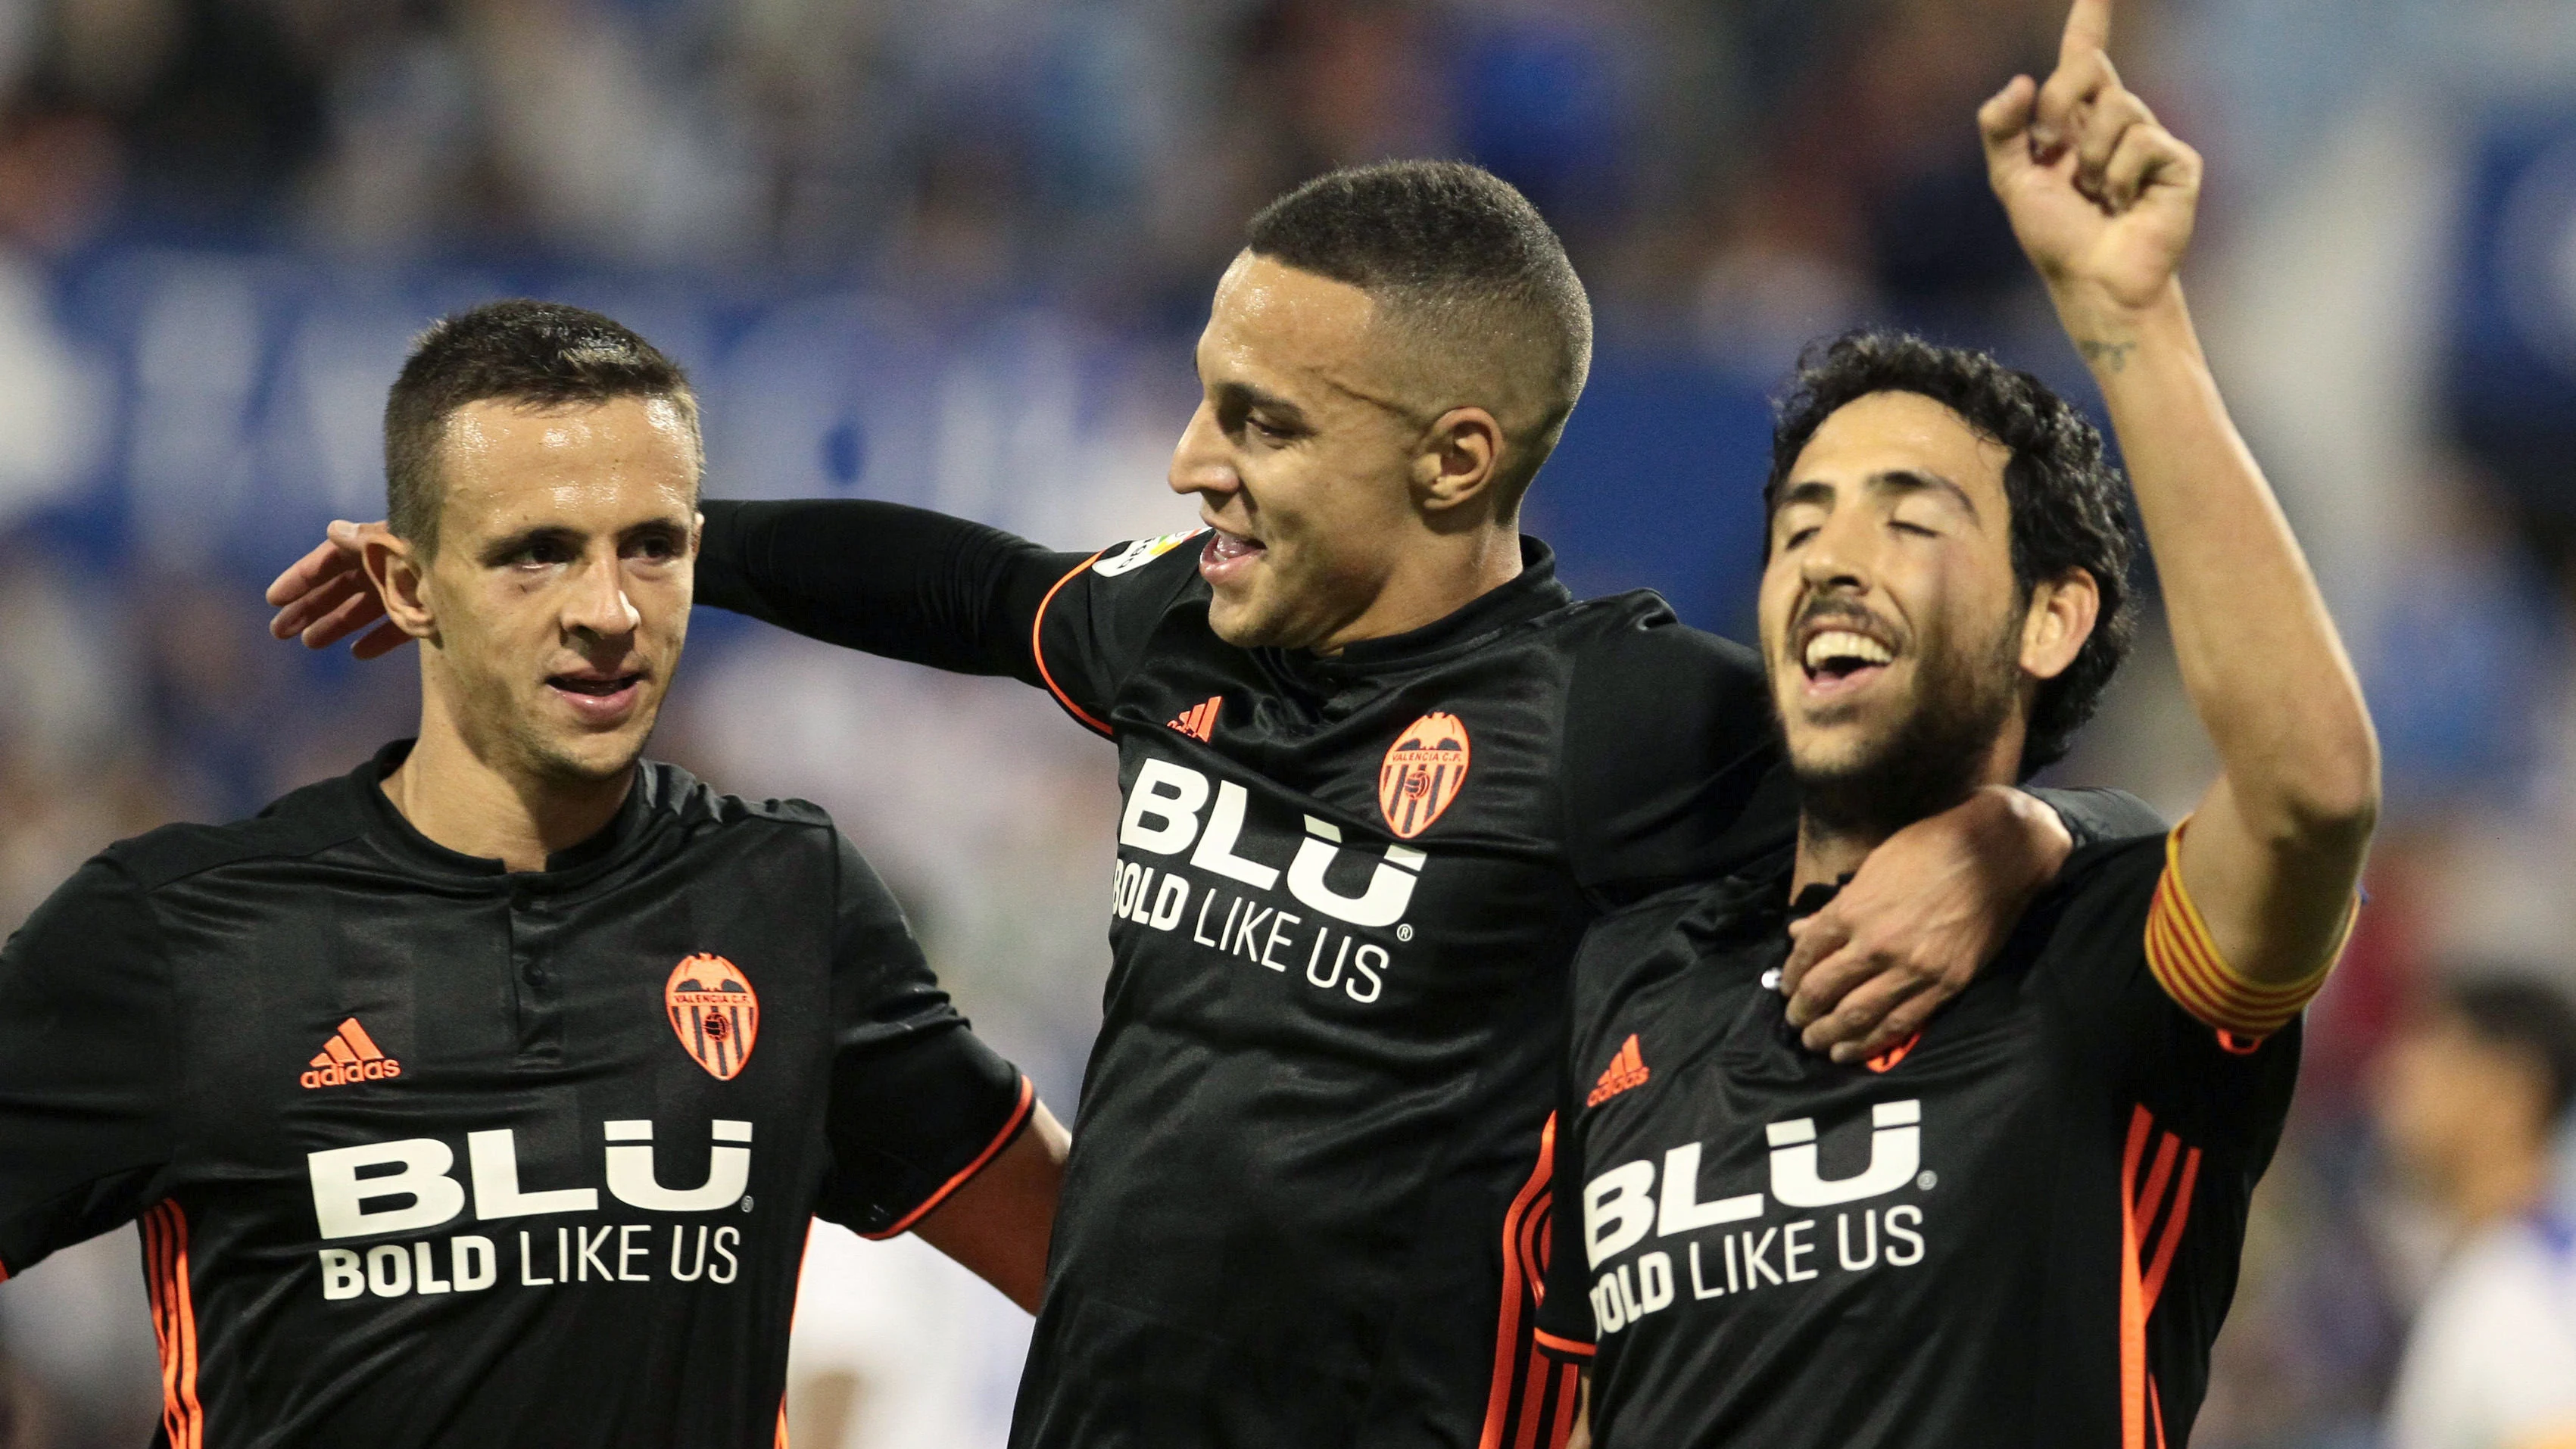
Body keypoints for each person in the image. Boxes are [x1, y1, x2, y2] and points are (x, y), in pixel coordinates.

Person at [265, 169, 2157, 1447]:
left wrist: (2023, 836)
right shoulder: (1186, 629)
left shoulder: (1626, 720)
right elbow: (966, 591)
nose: (1193, 462)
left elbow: (2152, 849)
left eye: (1260, 419)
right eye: (1206, 399)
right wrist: (650, 552)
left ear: (1453, 454)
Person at [0, 301, 1068, 1447]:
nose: (607, 613)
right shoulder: (181, 933)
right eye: (535, 552)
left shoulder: (789, 903)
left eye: (651, 546)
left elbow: (1111, 1279)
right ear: (406, 586)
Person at [1538, 2, 2380, 1444]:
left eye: (1902, 513)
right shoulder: (1633, 977)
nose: (1827, 553)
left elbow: (2308, 792)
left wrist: (2128, 316)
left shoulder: (2112, 961)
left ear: (2049, 617)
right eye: (1798, 520)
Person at [2381, 974, 2576, 1449]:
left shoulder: (2525, 1289)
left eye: (2432, 1050)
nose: (2391, 1075)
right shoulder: (2492, 1273)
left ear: (2513, 1092)